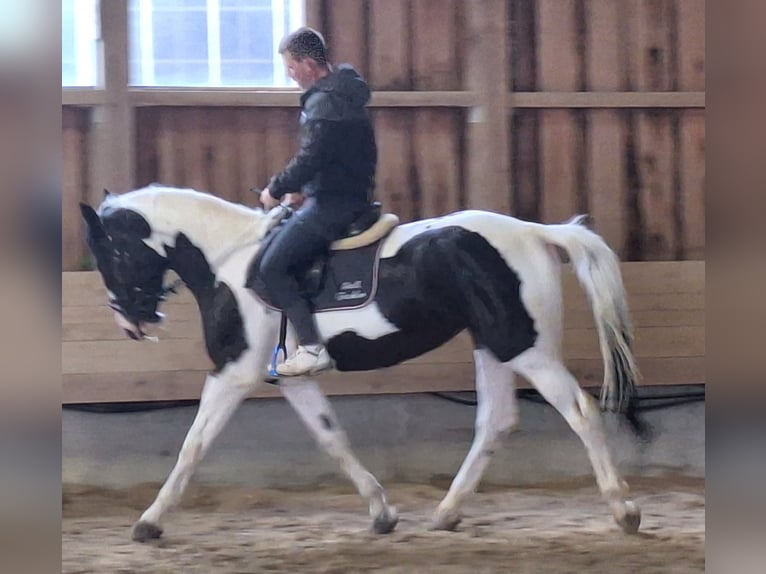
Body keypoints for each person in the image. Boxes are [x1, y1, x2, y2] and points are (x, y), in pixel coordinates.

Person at [255, 27, 377, 376]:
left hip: (335, 205)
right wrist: (303, 189)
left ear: (308, 64)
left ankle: (310, 347)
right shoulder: (341, 93)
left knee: (271, 267)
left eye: (291, 68)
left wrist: (275, 189)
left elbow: (311, 157)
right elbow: (332, 158)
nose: (290, 75)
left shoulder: (326, 103)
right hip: (338, 194)